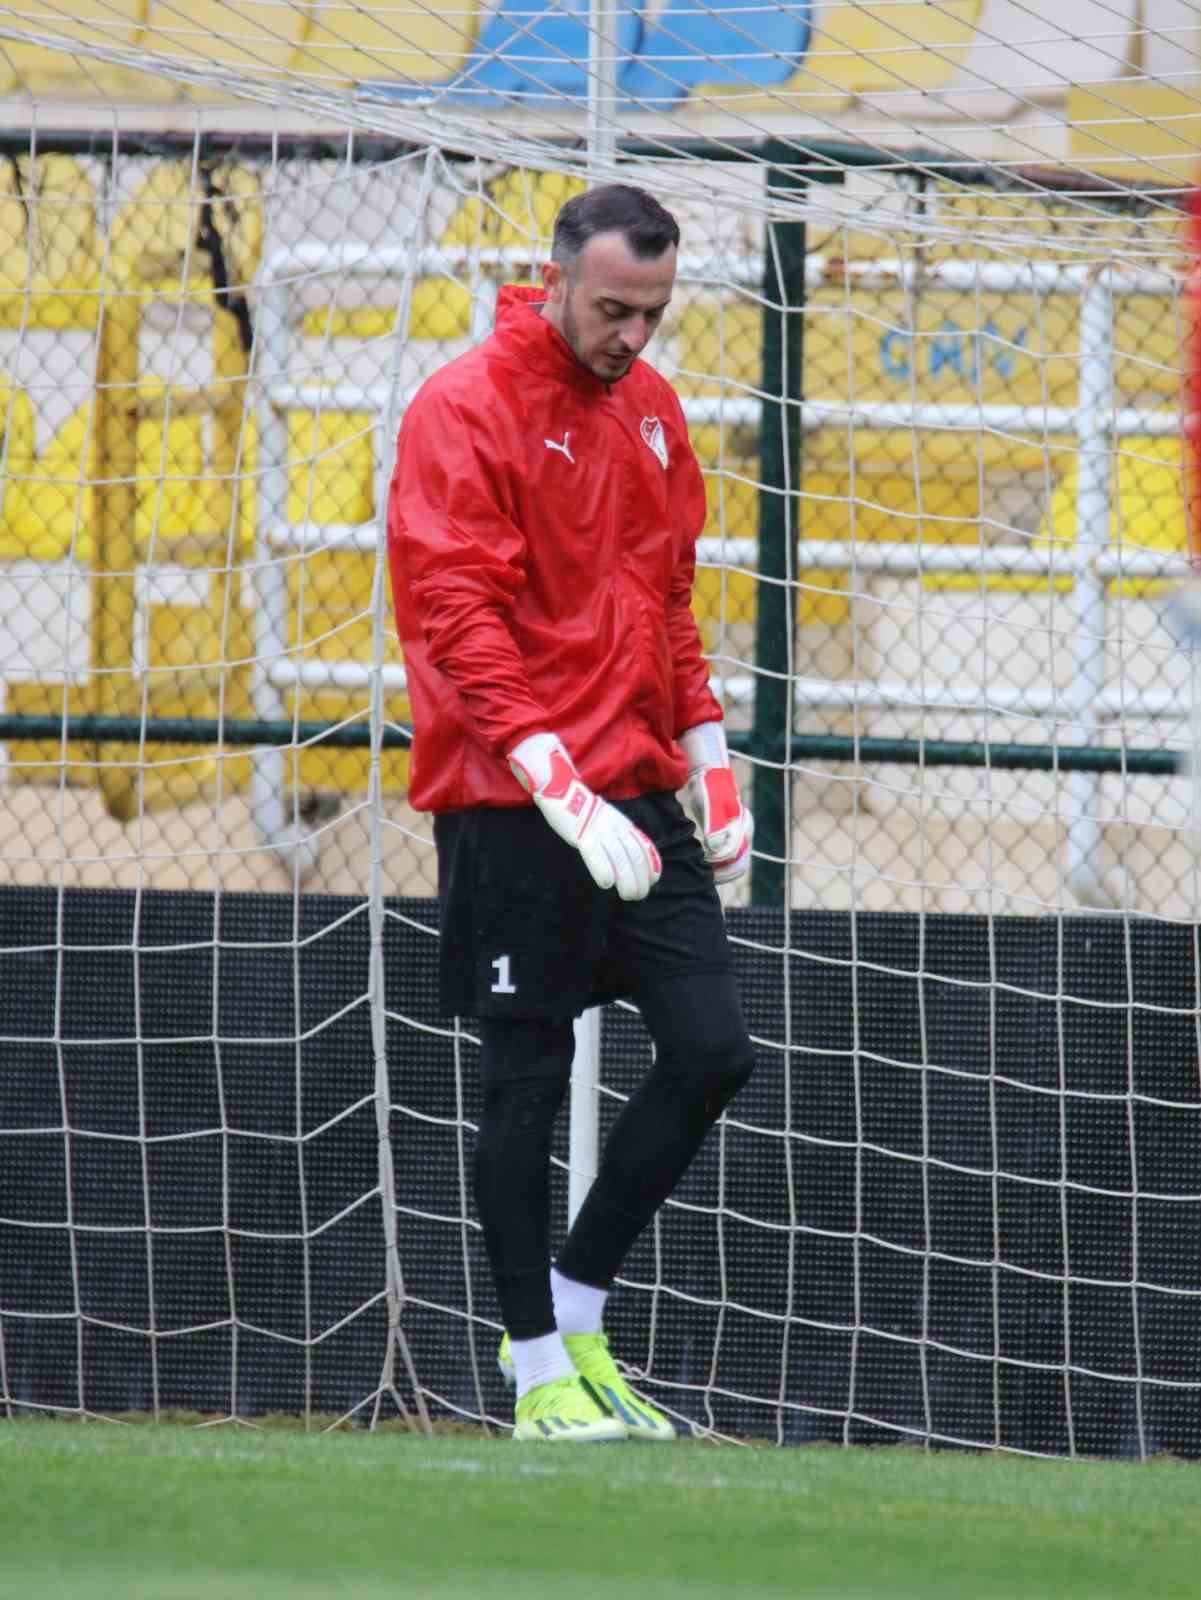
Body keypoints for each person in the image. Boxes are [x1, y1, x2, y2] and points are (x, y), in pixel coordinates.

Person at [387, 183, 756, 1444]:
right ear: (554, 279)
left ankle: (576, 1309)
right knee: (527, 1081)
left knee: (713, 1048)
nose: (633, 335)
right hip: (513, 795)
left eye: (654, 311)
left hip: (637, 785)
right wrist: (556, 783)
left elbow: (667, 600)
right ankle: (536, 1366)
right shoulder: (463, 406)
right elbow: (456, 612)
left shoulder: (652, 411)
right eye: (613, 309)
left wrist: (708, 754)